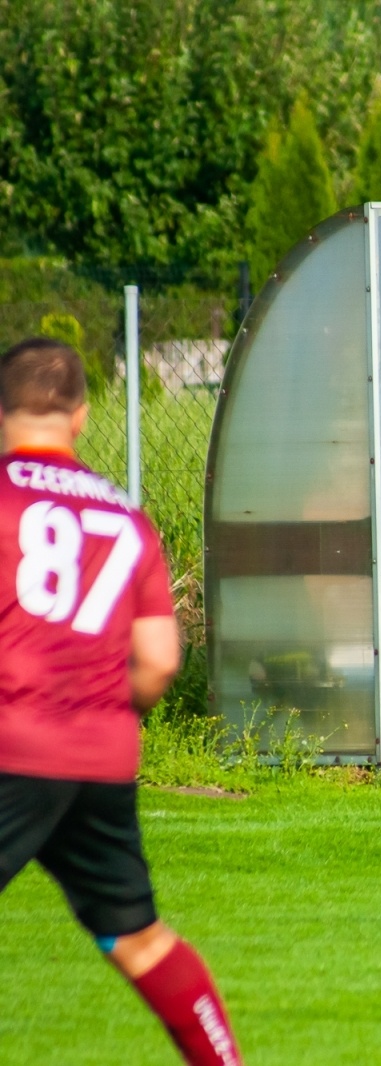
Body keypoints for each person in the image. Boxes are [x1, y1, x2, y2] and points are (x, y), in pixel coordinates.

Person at [0, 338, 243, 1065]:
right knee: (138, 937)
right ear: (80, 416)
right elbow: (160, 660)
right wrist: (97, 714)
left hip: (12, 740)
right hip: (99, 756)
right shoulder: (125, 517)